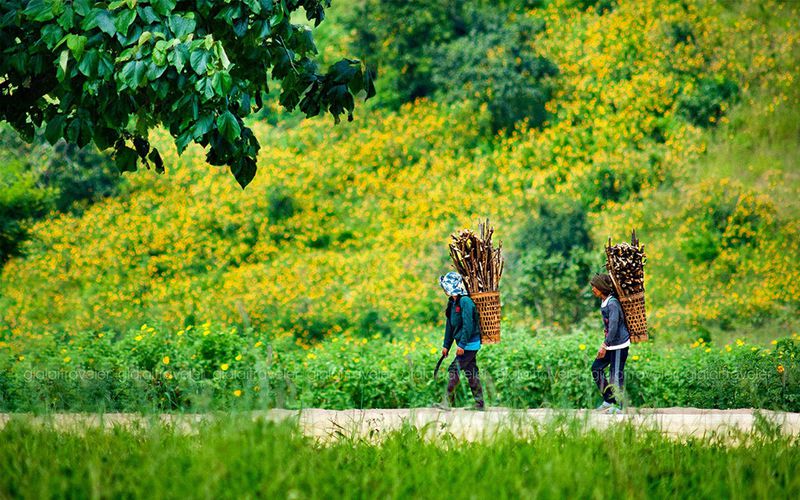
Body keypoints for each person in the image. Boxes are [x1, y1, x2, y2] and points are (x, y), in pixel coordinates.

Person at [438, 271, 484, 410]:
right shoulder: (452, 302)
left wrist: (462, 344)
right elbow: (450, 325)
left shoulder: (466, 301)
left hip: (470, 344)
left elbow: (468, 325)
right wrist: (446, 345)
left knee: (454, 369)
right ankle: (480, 404)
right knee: (471, 372)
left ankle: (447, 403)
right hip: (464, 344)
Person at [590, 273, 630, 413]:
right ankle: (609, 399)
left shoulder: (612, 303)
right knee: (596, 368)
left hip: (619, 345)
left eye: (594, 287)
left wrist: (604, 345)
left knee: (615, 374)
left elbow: (613, 327)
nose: (593, 289)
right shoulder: (604, 301)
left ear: (601, 287)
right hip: (611, 343)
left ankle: (619, 406)